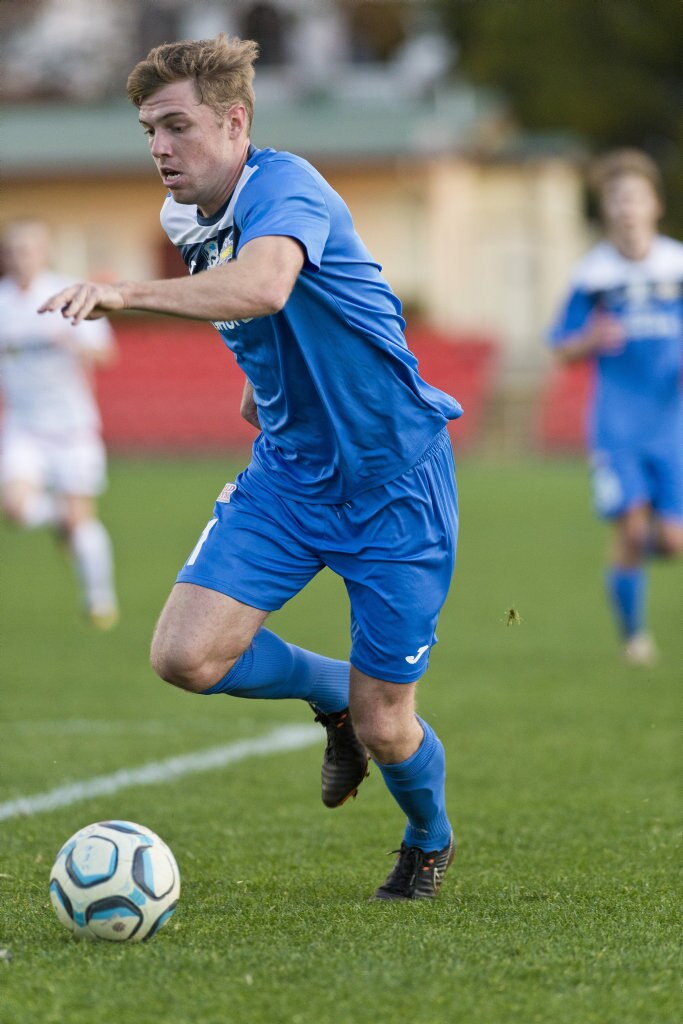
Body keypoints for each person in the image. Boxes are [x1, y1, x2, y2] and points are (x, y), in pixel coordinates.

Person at [39, 35, 461, 899]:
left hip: (395, 486)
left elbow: (265, 284)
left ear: (234, 122)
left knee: (390, 727)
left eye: (177, 126)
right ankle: (334, 693)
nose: (159, 146)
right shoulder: (182, 217)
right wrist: (262, 387)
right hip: (290, 475)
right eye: (148, 129)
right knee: (185, 658)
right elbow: (256, 322)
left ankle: (427, 836)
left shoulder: (285, 182)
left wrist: (126, 293)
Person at [548, 149, 683, 665]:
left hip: (670, 425)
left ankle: (623, 571)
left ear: (655, 205)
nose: (627, 208)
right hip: (616, 426)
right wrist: (590, 338)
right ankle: (634, 639)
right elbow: (561, 345)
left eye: (636, 198)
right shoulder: (594, 276)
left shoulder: (676, 265)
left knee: (670, 541)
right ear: (607, 210)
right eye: (617, 200)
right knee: (630, 527)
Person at [0, 219, 119, 629]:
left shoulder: (70, 293)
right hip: (24, 425)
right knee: (14, 509)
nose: (21, 258)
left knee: (82, 519)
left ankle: (99, 600)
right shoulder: (1, 303)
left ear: (44, 252)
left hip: (72, 428)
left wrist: (73, 342)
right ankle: (58, 519)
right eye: (14, 250)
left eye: (29, 249)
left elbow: (107, 355)